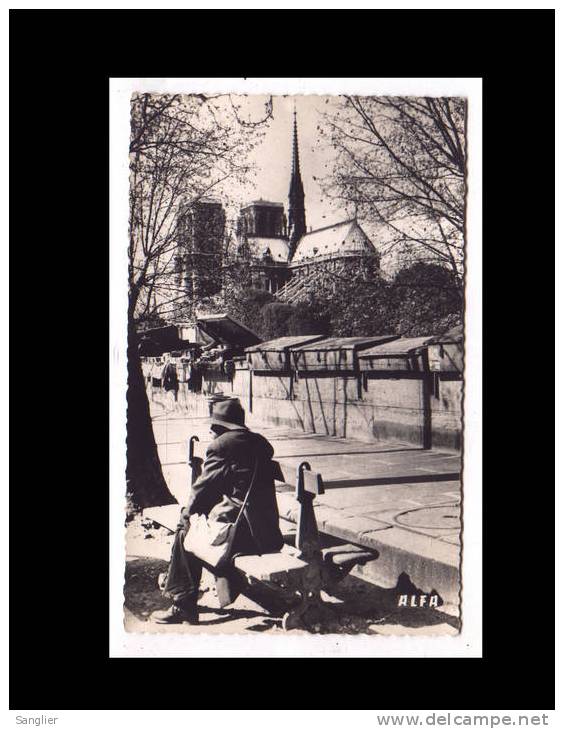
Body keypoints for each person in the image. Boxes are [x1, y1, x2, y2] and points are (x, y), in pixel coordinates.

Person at [151, 397, 284, 625]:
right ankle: (212, 587)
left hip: (245, 536)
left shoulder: (222, 446)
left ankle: (183, 605)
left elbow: (201, 491)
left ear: (219, 427)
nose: (211, 430)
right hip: (268, 532)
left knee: (186, 532)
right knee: (195, 527)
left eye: (214, 426)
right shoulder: (259, 442)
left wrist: (186, 516)